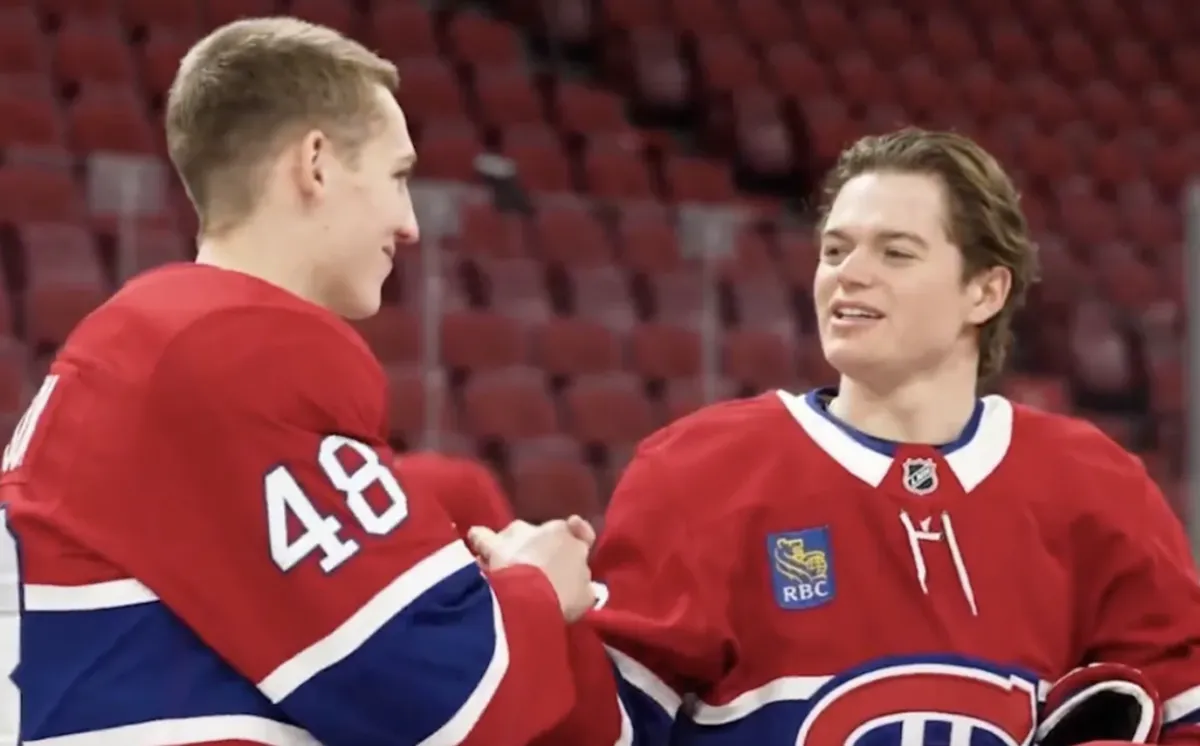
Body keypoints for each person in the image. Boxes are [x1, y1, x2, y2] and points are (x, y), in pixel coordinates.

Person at [472, 128, 1200, 745]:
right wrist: (543, 619)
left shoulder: (1093, 485)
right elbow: (613, 730)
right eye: (835, 250)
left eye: (895, 252)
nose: (849, 276)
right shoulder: (704, 470)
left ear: (985, 290)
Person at [0, 17, 595, 746]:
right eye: (397, 176)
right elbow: (447, 705)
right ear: (316, 163)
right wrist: (537, 587)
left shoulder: (137, 337)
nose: (409, 224)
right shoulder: (234, 347)